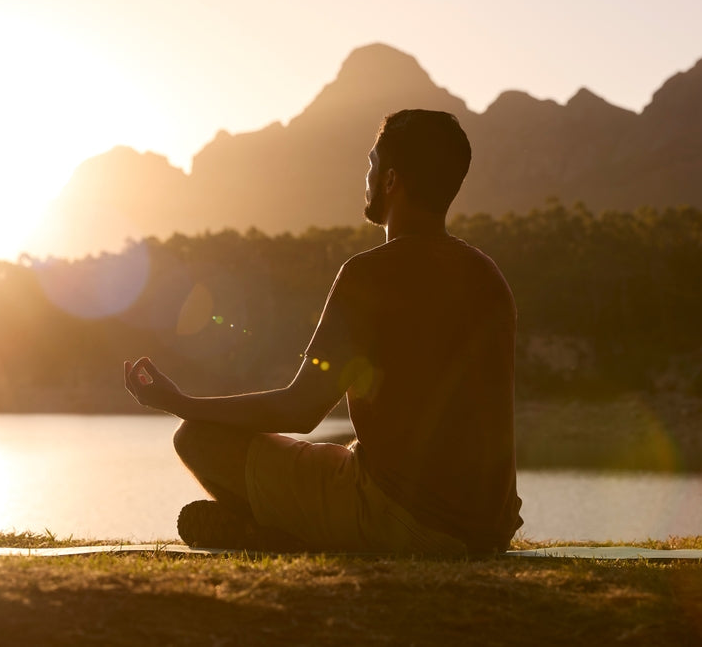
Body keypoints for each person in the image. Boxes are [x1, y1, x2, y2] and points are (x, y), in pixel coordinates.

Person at [124, 109, 523, 556]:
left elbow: (301, 408)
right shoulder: (487, 276)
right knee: (338, 459)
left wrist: (181, 404)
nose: (366, 177)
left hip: (406, 521)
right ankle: (283, 527)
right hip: (489, 529)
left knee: (196, 437)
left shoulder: (369, 274)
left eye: (372, 165)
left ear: (391, 180)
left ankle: (281, 537)